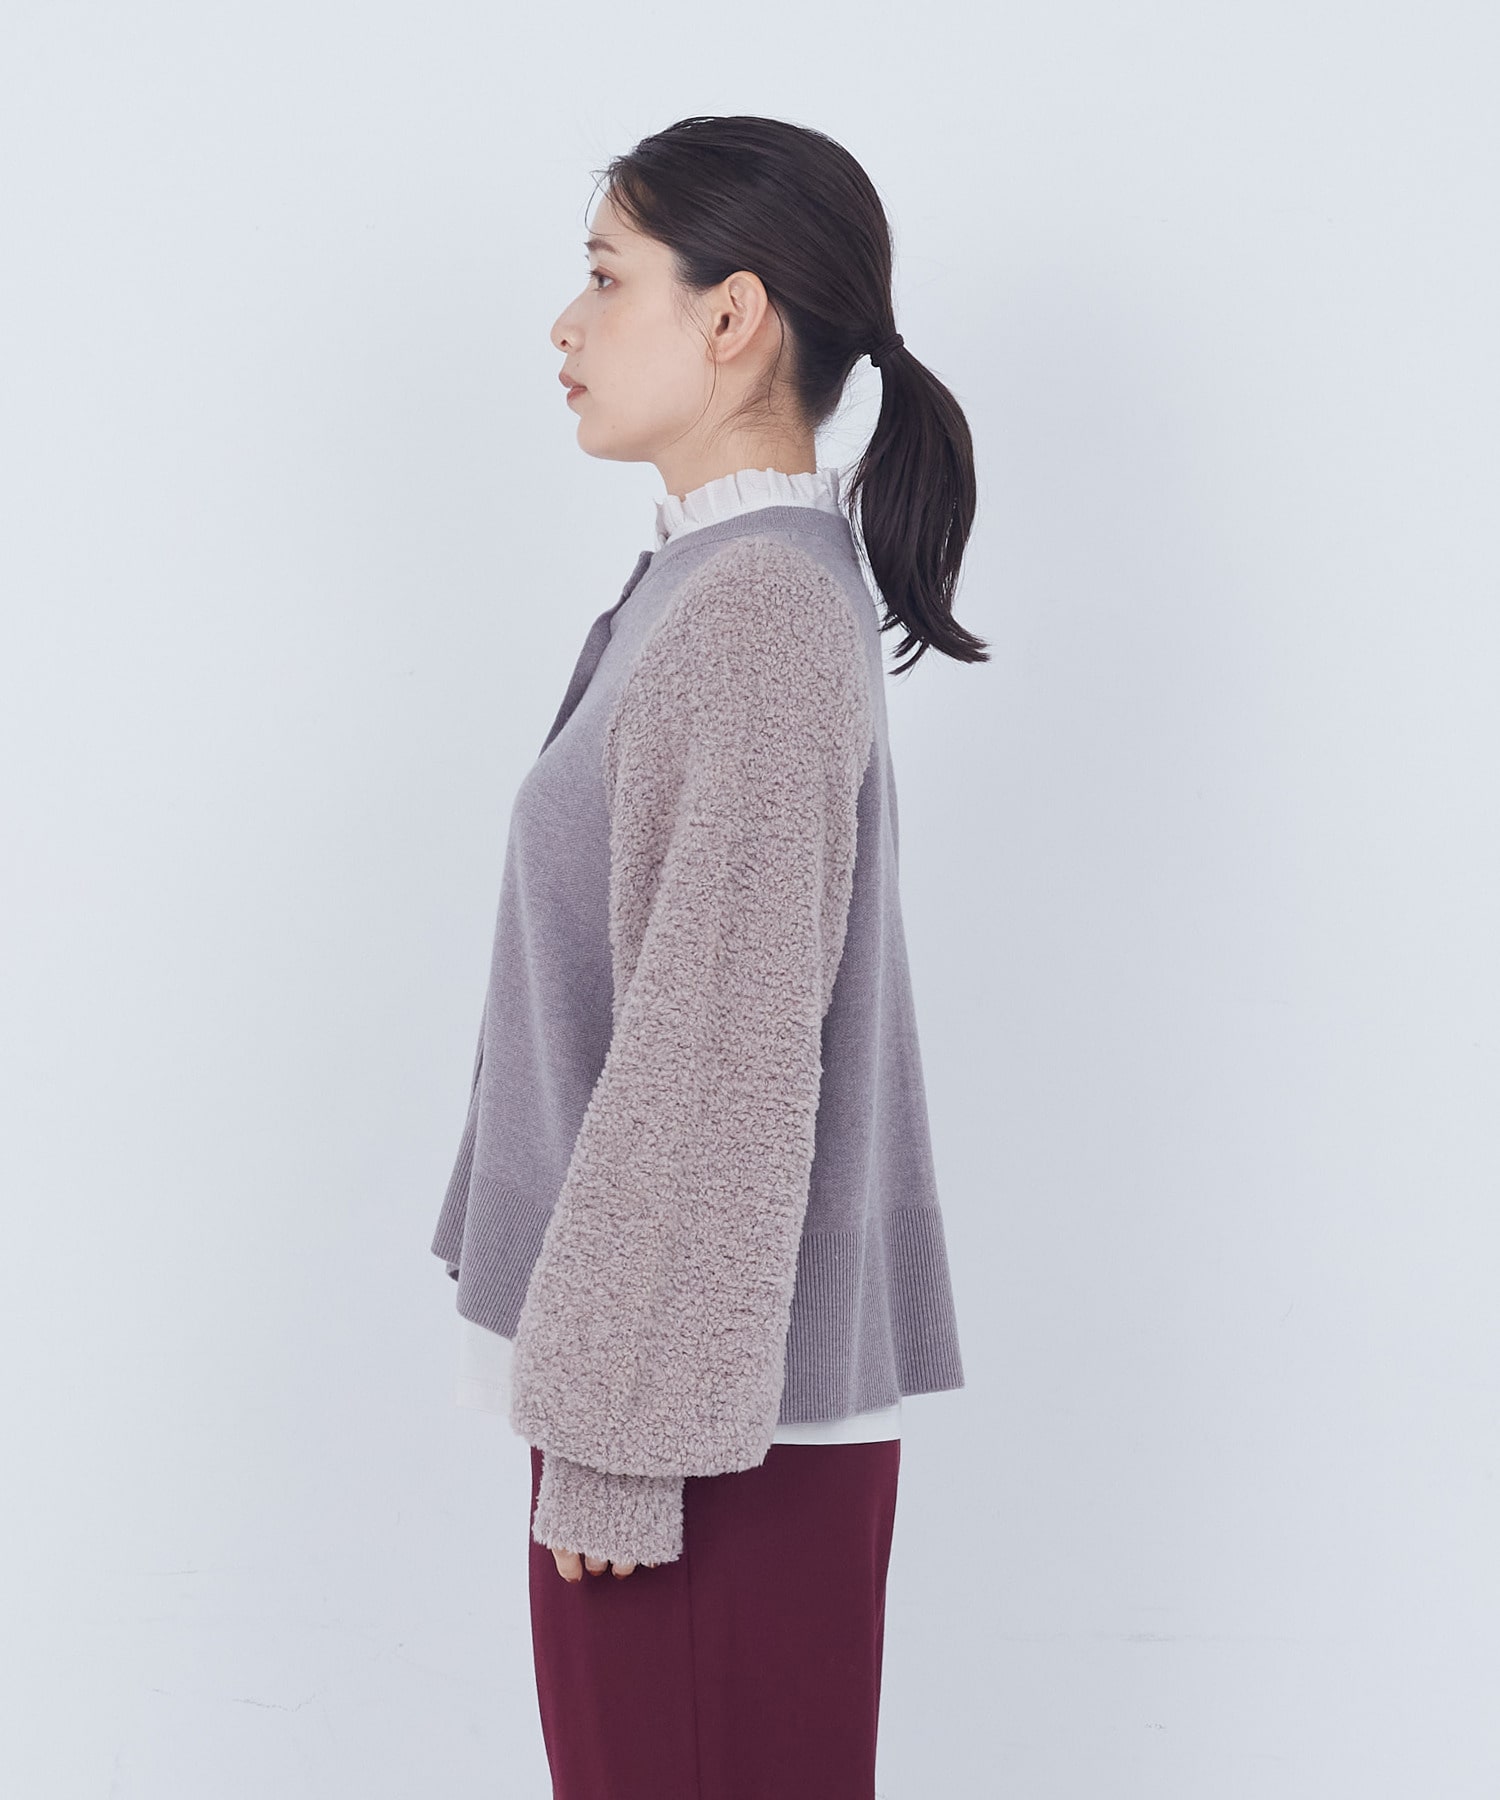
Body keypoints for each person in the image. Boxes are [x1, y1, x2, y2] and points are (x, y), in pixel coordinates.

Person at [429, 113, 987, 1800]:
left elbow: (720, 1058)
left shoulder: (752, 612)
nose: (567, 323)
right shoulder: (718, 582)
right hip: (681, 1404)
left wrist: (616, 1447)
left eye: (608, 278)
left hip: (699, 1438)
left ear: (732, 315)